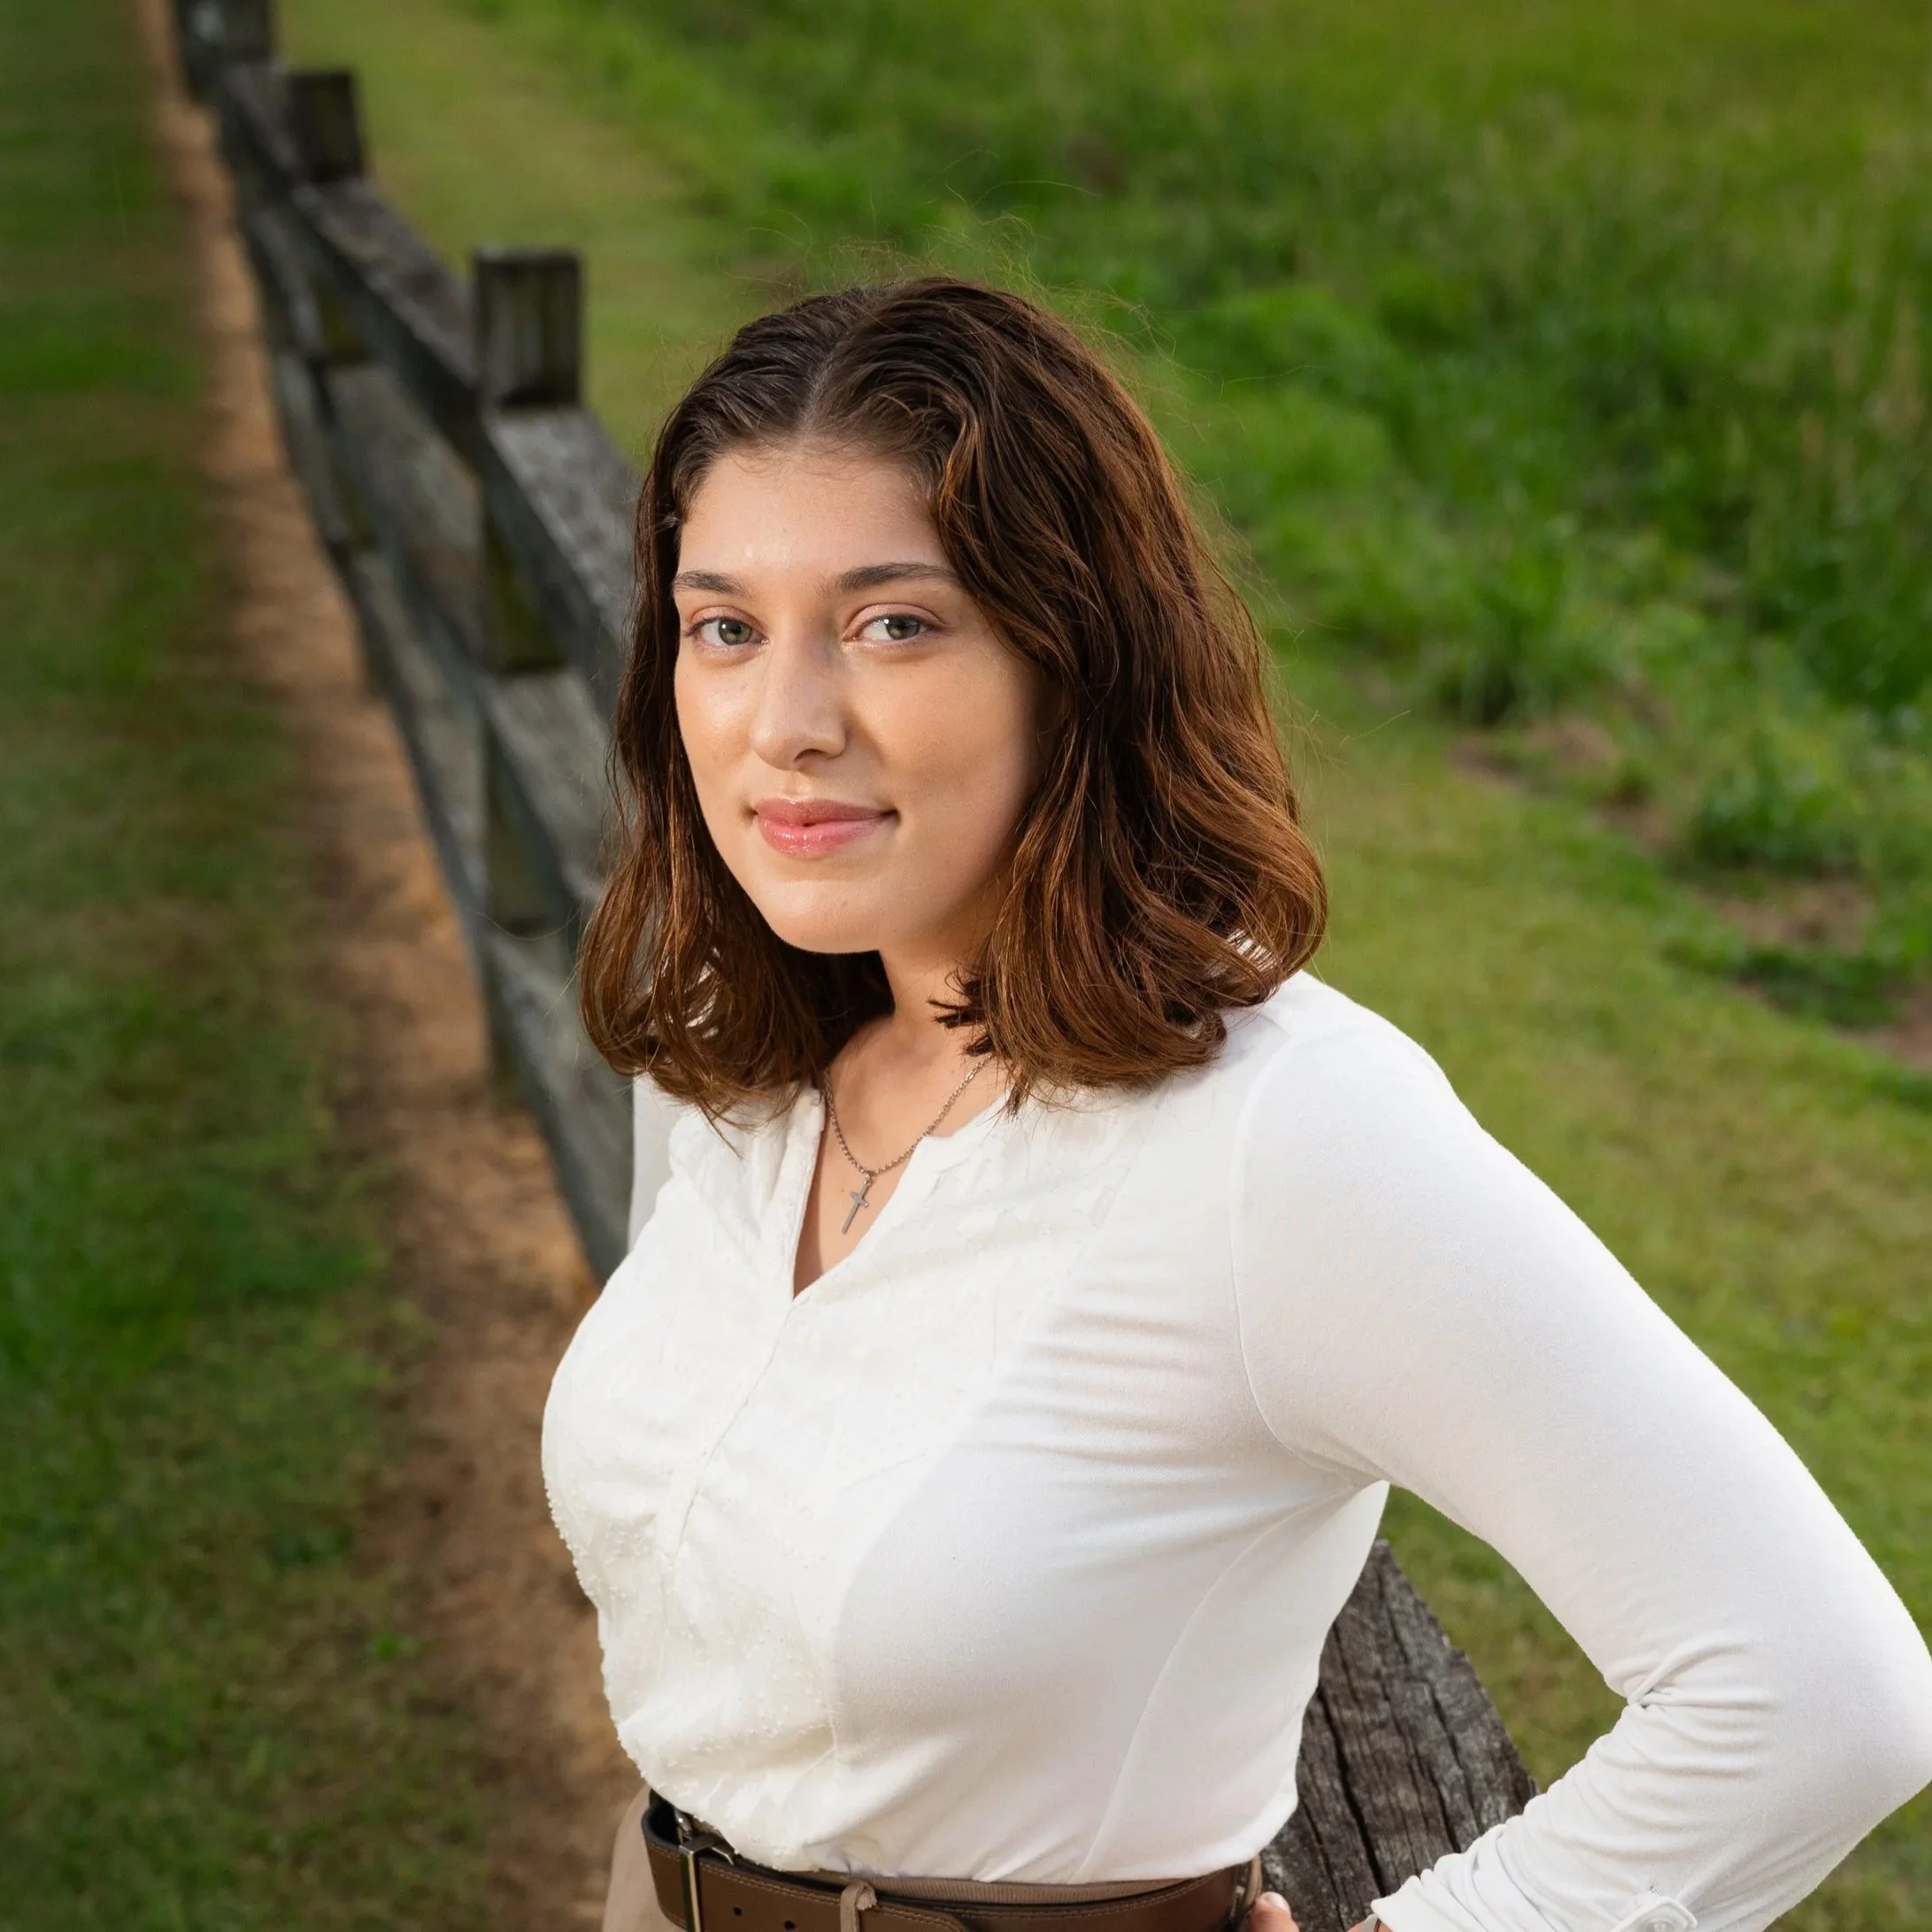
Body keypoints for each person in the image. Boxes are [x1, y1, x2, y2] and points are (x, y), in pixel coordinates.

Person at [543, 276, 1932, 1932]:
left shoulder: (1282, 1137)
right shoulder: (725, 1054)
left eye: (892, 622)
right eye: (725, 627)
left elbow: (1817, 1692)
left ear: (1076, 660)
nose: (786, 725)